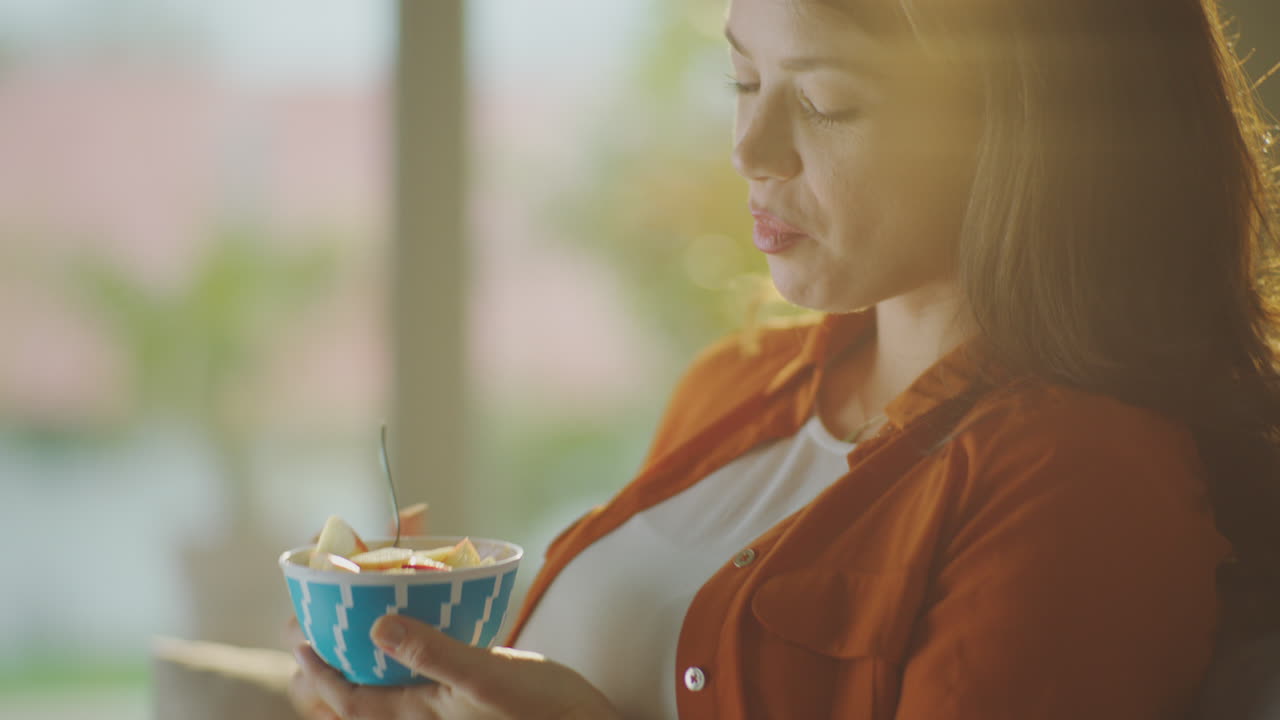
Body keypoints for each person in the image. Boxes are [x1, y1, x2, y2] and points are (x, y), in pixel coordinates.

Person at [288, 0, 1280, 717]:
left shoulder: (1082, 484)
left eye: (826, 100)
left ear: (1027, 129)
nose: (749, 147)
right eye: (743, 79)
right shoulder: (737, 382)